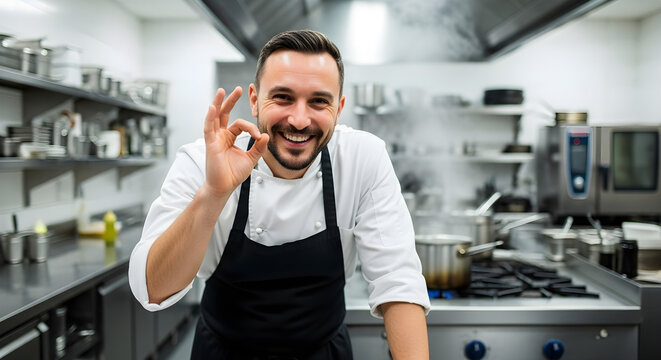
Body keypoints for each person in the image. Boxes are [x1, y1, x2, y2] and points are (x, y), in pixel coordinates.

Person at [129, 29, 430, 359]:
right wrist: (214, 193)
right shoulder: (201, 161)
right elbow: (153, 289)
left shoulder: (363, 158)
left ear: (339, 107)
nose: (299, 120)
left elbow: (398, 281)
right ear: (255, 100)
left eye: (318, 101)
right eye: (283, 97)